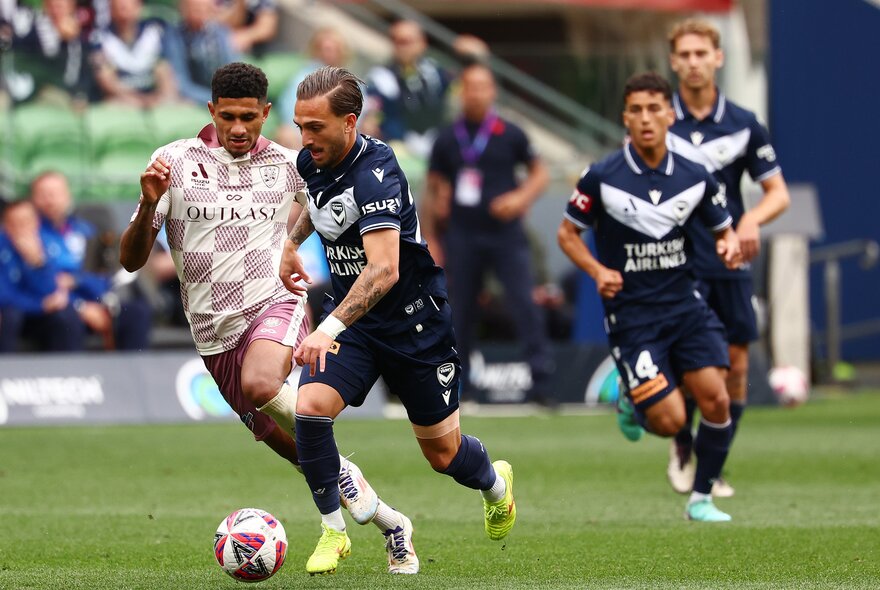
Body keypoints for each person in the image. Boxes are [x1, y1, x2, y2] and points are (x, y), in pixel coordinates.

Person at [118, 62, 418, 575]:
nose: (239, 128)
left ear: (266, 113)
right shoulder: (173, 162)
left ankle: (335, 499)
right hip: (213, 337)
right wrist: (148, 207)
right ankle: (393, 524)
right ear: (212, 111)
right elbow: (131, 261)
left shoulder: (289, 165)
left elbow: (340, 208)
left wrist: (359, 255)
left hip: (274, 304)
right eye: (228, 117)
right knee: (305, 455)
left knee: (261, 384)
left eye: (249, 118)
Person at [280, 65, 516, 575]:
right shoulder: (311, 159)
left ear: (350, 122)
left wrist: (325, 328)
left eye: (315, 127)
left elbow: (384, 270)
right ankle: (333, 531)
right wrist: (291, 243)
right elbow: (316, 203)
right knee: (310, 409)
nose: (305, 138)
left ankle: (496, 486)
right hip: (357, 325)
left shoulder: (377, 171)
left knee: (443, 455)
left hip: (415, 327)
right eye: (300, 126)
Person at [557, 72, 742, 522]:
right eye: (636, 110)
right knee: (670, 421)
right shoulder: (602, 176)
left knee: (718, 399)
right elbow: (567, 234)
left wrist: (730, 245)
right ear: (625, 117)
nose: (645, 118)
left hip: (685, 307)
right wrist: (598, 270)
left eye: (654, 109)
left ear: (670, 115)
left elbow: (724, 229)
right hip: (633, 316)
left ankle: (701, 499)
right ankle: (632, 398)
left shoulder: (695, 176)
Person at [664, 18, 791, 497]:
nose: (694, 62)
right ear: (673, 61)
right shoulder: (658, 119)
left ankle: (712, 465)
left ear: (718, 58)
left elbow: (778, 193)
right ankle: (682, 444)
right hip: (677, 260)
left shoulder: (743, 123)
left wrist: (752, 220)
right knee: (689, 364)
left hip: (729, 256)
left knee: (736, 366)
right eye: (685, 54)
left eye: (702, 53)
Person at [423, 62, 556, 406]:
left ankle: (542, 384)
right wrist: (433, 235)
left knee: (524, 303)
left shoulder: (510, 133)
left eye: (483, 87)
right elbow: (434, 185)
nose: (476, 94)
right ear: (462, 92)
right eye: (470, 87)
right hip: (463, 235)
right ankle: (459, 387)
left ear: (492, 91)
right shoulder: (447, 138)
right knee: (460, 311)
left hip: (505, 234)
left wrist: (520, 198)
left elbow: (540, 174)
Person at [0, 200, 87, 352]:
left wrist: (37, 262)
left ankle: (70, 365)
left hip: (40, 314)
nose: (22, 228)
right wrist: (40, 305)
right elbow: (4, 296)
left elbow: (52, 288)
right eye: (15, 223)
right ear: (5, 226)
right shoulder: (2, 247)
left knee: (66, 315)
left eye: (27, 221)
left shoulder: (49, 244)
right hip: (18, 312)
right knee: (10, 316)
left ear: (36, 222)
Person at [361, 19, 452, 158]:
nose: (402, 47)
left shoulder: (436, 72)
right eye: (397, 41)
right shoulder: (380, 76)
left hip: (435, 148)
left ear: (422, 43)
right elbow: (372, 111)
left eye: (407, 41)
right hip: (398, 150)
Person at [89, 0, 178, 108]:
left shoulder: (154, 31)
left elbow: (164, 70)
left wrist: (161, 97)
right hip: (122, 99)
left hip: (154, 96)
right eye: (119, 7)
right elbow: (105, 78)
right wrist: (134, 98)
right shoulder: (100, 38)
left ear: (138, 7)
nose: (124, 11)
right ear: (111, 10)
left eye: (127, 6)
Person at [275, 26, 351, 151]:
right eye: (325, 49)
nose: (328, 53)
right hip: (301, 132)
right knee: (286, 134)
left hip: (335, 136)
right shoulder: (304, 77)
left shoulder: (349, 83)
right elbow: (289, 106)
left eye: (333, 49)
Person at [163, 0, 238, 105]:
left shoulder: (221, 34)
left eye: (204, 8)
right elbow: (182, 84)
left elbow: (233, 73)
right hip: (194, 100)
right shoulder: (174, 37)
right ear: (183, 8)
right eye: (195, 8)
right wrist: (214, 100)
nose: (200, 12)